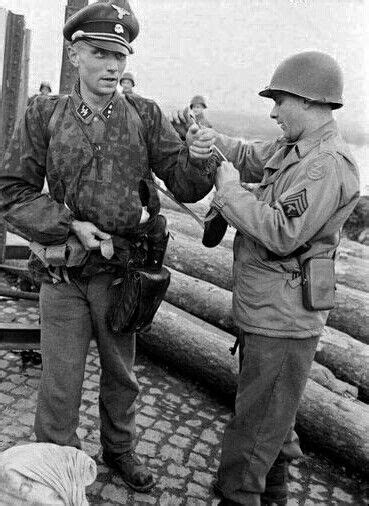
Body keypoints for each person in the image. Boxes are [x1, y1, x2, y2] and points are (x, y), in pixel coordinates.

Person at [0, 0, 213, 495]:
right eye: (101, 53)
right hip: (64, 272)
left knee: (122, 376)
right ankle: (55, 467)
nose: (114, 66)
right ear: (75, 54)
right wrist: (69, 224)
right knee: (60, 383)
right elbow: (11, 192)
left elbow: (183, 184)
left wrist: (198, 159)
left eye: (122, 54)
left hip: (123, 276)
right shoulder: (44, 114)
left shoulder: (145, 114)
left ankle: (119, 453)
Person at [181, 51, 360, 505]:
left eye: (280, 101)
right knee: (273, 423)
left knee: (253, 430)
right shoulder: (294, 150)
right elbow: (244, 154)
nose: (273, 112)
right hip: (268, 311)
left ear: (309, 101)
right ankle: (274, 495)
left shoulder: (325, 165)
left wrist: (229, 193)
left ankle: (238, 496)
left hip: (283, 321)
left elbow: (282, 232)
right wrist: (206, 137)